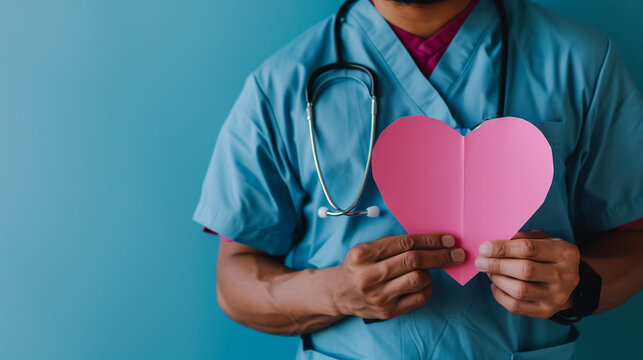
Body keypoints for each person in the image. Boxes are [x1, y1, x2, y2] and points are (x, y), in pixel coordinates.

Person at [193, 0, 643, 358]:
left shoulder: (583, 62)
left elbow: (632, 244)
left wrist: (578, 286)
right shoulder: (280, 85)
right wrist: (338, 293)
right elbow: (236, 282)